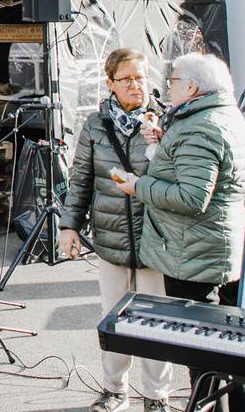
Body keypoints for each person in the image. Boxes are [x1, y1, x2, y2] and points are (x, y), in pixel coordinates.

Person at [110, 52, 245, 412]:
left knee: (203, 357)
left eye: (173, 81)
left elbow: (192, 197)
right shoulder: (223, 116)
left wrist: (137, 186)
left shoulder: (199, 127)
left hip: (195, 253)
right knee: (230, 350)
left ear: (191, 87)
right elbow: (196, 173)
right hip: (221, 246)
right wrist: (163, 144)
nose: (167, 86)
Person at [59, 48, 172, 412]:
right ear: (110, 83)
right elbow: (81, 181)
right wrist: (69, 226)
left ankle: (156, 395)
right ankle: (114, 390)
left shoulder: (165, 121)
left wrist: (161, 140)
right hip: (110, 237)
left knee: (156, 321)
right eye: (128, 79)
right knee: (114, 319)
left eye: (141, 77)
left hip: (155, 239)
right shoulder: (95, 125)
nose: (137, 85)